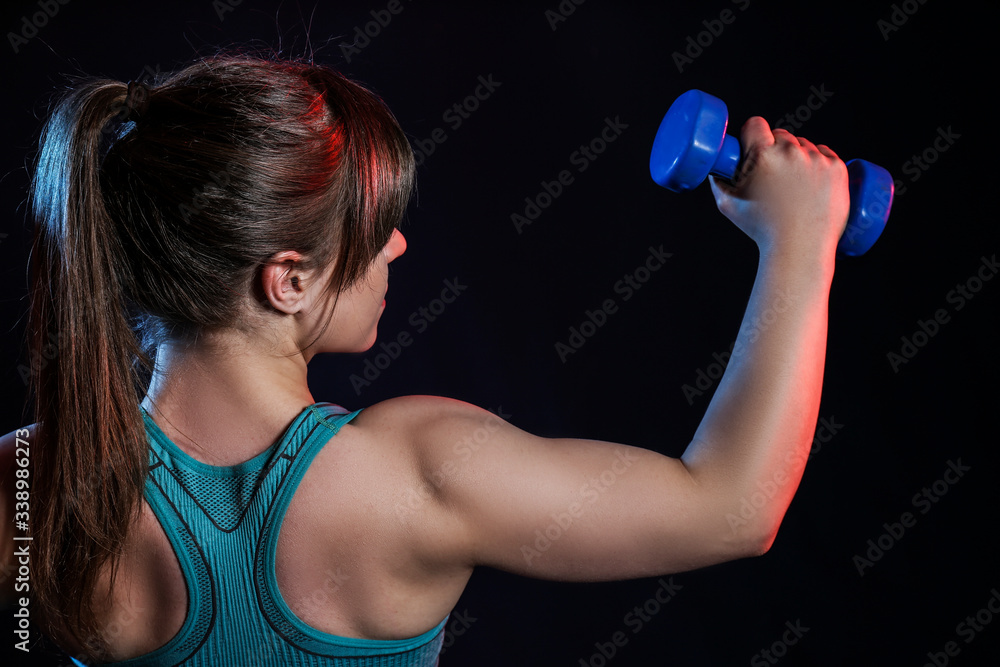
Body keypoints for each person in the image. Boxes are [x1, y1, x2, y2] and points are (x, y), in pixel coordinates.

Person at [0, 54, 849, 666]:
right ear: (287, 280)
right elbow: (732, 508)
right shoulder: (418, 470)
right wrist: (800, 245)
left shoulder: (31, 477)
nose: (398, 246)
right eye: (373, 233)